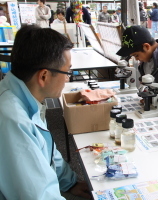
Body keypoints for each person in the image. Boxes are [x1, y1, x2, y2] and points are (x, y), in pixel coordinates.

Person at [0, 25, 92, 200]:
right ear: (44, 76)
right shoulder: (14, 120)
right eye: (67, 72)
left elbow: (47, 151)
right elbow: (36, 196)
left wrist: (70, 182)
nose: (67, 78)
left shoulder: (26, 98)